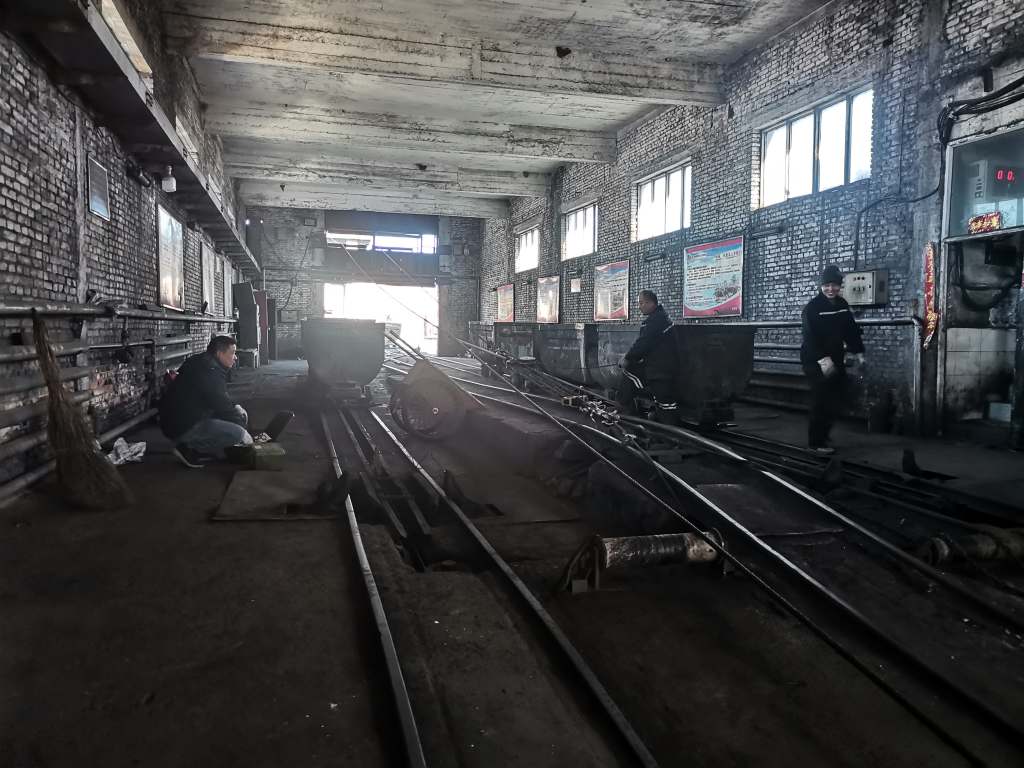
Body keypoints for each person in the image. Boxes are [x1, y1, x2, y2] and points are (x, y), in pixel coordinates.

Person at [159, 335, 253, 467]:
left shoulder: (199, 360)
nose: (235, 357)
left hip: (174, 420)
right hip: (183, 425)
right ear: (219, 353)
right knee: (238, 434)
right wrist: (243, 430)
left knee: (234, 418)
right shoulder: (210, 371)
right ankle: (188, 449)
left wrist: (235, 406)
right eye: (232, 353)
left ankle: (192, 444)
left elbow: (218, 396)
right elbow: (220, 403)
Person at [800, 266, 865, 454]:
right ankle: (815, 443)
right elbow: (810, 337)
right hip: (815, 360)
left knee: (838, 397)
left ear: (840, 286)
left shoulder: (842, 305)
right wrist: (823, 360)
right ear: (821, 286)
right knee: (822, 399)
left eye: (835, 285)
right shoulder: (813, 308)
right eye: (827, 285)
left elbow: (851, 330)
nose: (831, 289)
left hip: (835, 357)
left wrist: (859, 352)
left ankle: (823, 433)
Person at [617, 290, 678, 422]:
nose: (639, 306)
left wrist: (627, 358)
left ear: (651, 303)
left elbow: (643, 343)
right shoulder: (660, 317)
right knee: (664, 404)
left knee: (666, 405)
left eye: (641, 303)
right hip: (660, 366)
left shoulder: (656, 320)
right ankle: (630, 414)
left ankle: (626, 414)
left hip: (660, 369)